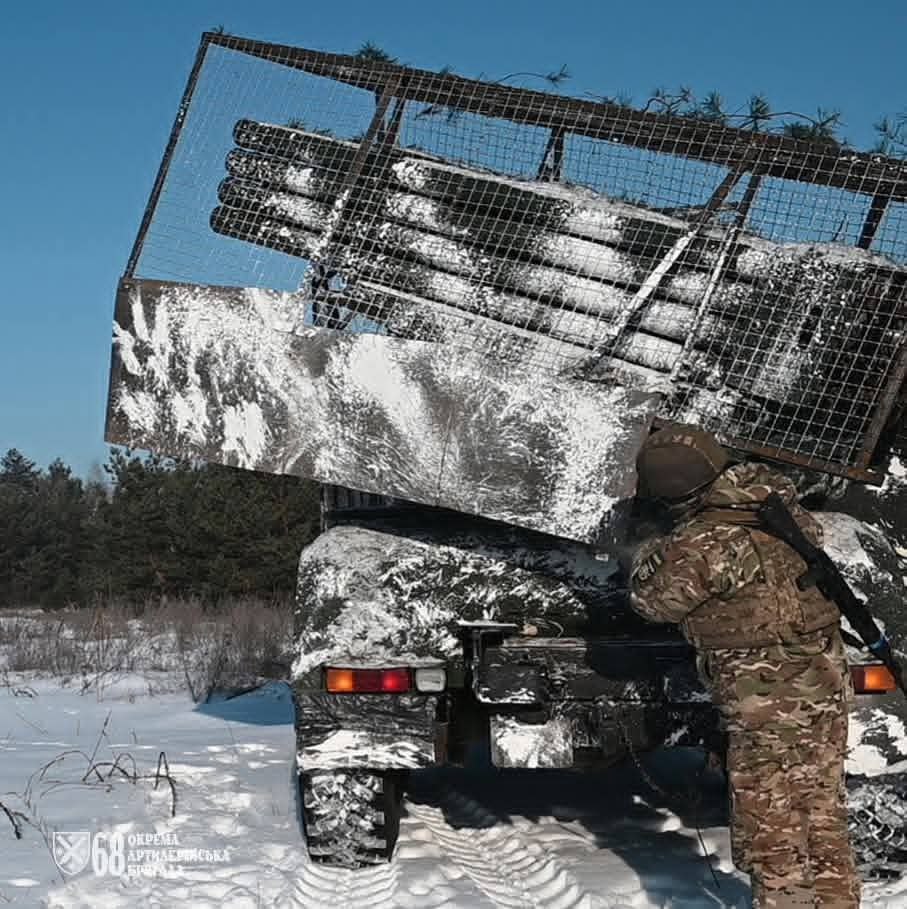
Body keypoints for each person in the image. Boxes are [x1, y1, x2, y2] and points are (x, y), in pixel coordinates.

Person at [628, 425, 860, 909]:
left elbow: (652, 602)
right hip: (823, 684)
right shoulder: (778, 506)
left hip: (765, 704)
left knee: (771, 826)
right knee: (822, 813)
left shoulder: (704, 541)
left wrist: (646, 553)